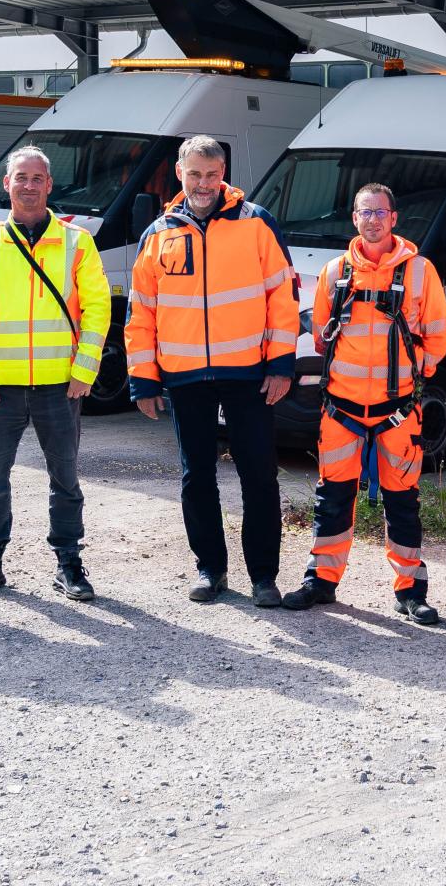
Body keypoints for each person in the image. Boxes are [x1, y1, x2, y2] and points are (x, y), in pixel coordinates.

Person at [126, 135, 298, 608]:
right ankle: (210, 570)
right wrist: (143, 378)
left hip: (248, 374)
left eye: (212, 173)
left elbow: (282, 299)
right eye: (195, 173)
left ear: (224, 173)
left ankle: (264, 576)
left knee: (259, 477)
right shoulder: (159, 233)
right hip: (184, 378)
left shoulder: (257, 223)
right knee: (195, 476)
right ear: (179, 174)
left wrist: (282, 363)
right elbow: (141, 311)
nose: (204, 183)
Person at [282, 183, 446, 623]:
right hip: (341, 408)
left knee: (403, 501)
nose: (372, 220)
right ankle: (320, 581)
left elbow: (438, 334)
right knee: (332, 498)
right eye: (364, 212)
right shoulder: (335, 272)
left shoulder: (420, 271)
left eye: (380, 212)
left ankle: (411, 590)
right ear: (353, 219)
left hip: (397, 410)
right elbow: (321, 336)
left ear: (394, 218)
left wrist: (414, 375)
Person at [0, 146, 112, 602]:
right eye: (20, 177)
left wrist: (85, 368)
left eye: (36, 178)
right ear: (7, 184)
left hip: (60, 384)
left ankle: (68, 565)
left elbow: (99, 308)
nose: (28, 185)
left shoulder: (77, 241)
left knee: (66, 479)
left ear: (48, 185)